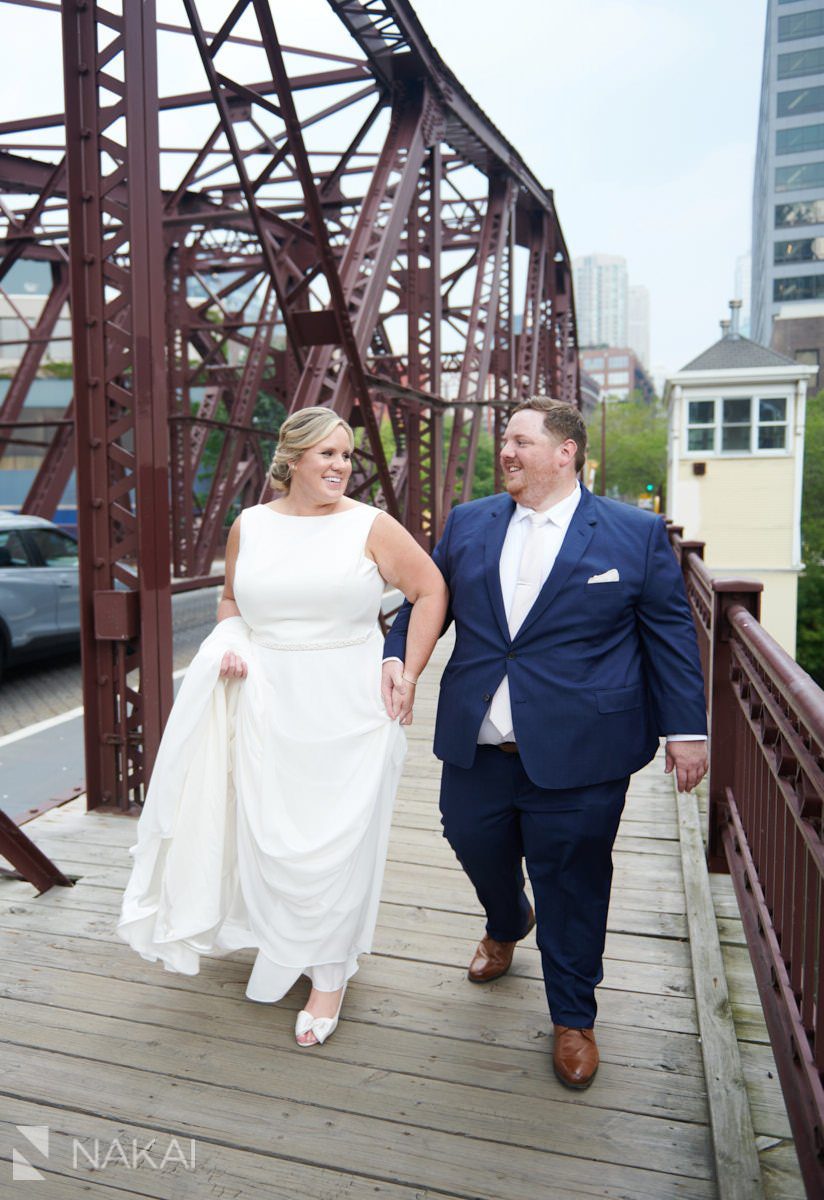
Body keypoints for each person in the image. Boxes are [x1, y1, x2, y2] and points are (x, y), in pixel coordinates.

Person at [382, 396, 707, 1089]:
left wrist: (686, 731)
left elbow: (671, 637)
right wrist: (399, 663)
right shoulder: (469, 524)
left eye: (521, 441)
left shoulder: (633, 533)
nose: (506, 451)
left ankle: (572, 1018)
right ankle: (507, 918)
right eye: (504, 439)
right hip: (479, 737)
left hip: (585, 747)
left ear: (566, 453)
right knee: (469, 837)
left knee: (574, 879)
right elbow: (424, 601)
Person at [118, 407, 447, 1048]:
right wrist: (229, 642)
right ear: (291, 458)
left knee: (339, 839)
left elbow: (430, 589)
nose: (340, 466)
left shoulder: (372, 525)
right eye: (326, 454)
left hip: (349, 706)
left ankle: (330, 973)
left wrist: (405, 670)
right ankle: (290, 942)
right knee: (273, 834)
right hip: (268, 702)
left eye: (347, 456)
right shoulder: (251, 526)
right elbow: (232, 602)